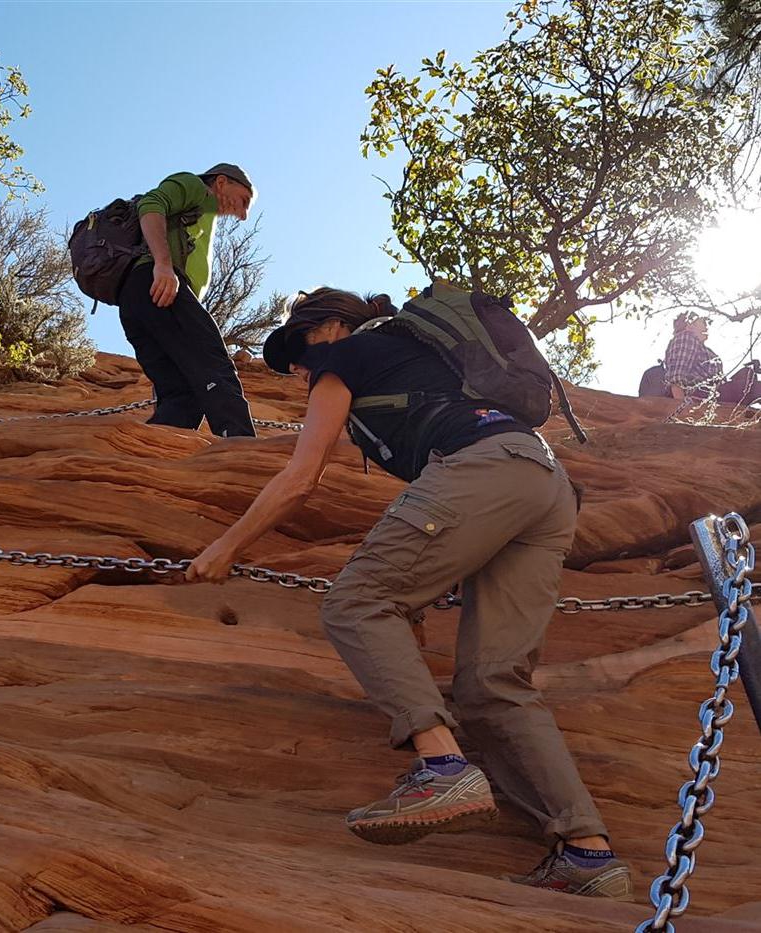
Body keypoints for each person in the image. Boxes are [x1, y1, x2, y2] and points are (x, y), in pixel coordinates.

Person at [185, 286, 633, 899]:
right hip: (544, 481)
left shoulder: (344, 357)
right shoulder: (417, 354)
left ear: (332, 326)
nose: (299, 368)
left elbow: (300, 478)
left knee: (354, 603)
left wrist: (226, 547)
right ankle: (586, 853)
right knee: (493, 684)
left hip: (481, 468)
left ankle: (442, 767)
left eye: (301, 347)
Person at [118, 163, 258, 437]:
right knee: (215, 366)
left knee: (182, 396)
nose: (242, 215)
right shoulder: (196, 187)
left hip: (139, 300)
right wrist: (163, 265)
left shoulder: (202, 213)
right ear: (220, 182)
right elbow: (151, 204)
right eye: (243, 201)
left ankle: (154, 455)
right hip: (159, 287)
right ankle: (241, 452)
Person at [663, 313, 761, 405]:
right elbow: (676, 377)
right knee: (757, 388)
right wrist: (681, 404)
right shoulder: (686, 337)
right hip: (701, 395)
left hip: (712, 393)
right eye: (703, 323)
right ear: (689, 325)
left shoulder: (701, 347)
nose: (706, 326)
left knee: (747, 373)